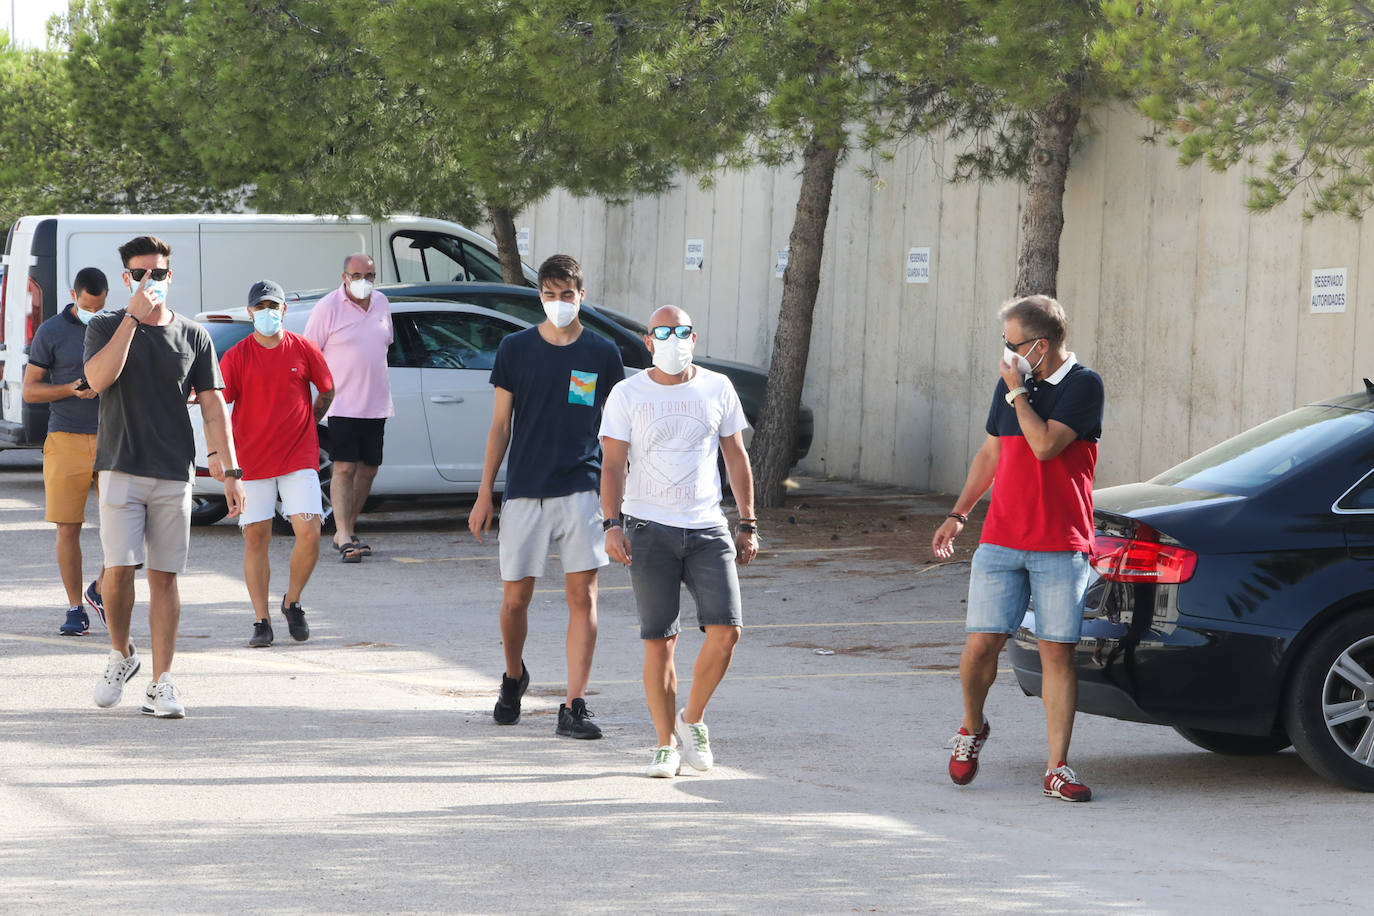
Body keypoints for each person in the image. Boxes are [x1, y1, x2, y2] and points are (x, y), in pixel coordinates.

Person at [932, 294, 1105, 802]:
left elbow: (1046, 445)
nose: (1006, 355)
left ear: (1041, 345)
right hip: (1001, 539)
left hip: (1060, 542)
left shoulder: (1083, 385)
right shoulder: (1011, 387)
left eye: (1012, 345)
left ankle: (1057, 768)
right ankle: (971, 727)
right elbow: (993, 451)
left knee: (1056, 654)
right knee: (979, 647)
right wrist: (958, 514)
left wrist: (1016, 394)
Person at [83, 235, 245, 718]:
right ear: (126, 278)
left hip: (174, 471)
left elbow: (214, 404)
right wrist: (132, 315)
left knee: (165, 577)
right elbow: (96, 381)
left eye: (157, 273)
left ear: (170, 276)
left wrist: (230, 469)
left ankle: (161, 683)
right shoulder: (108, 324)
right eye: (139, 273)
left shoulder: (194, 334)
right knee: (117, 571)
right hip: (119, 464)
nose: (149, 281)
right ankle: (121, 654)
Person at [468, 254, 625, 739]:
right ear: (541, 296)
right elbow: (499, 426)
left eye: (568, 295)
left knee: (584, 596)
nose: (559, 303)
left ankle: (574, 704)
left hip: (582, 490)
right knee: (516, 600)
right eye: (551, 295)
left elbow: (617, 434)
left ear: (582, 295)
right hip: (525, 492)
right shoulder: (515, 349)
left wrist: (618, 505)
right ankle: (513, 677)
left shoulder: (603, 352)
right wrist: (484, 494)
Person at [599, 304, 759, 778]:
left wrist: (747, 521)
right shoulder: (628, 393)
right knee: (660, 642)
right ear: (647, 342)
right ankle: (664, 743)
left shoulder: (717, 387)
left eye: (682, 330)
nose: (674, 338)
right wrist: (612, 523)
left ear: (695, 336)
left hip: (708, 527)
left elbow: (735, 455)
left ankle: (692, 720)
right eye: (663, 331)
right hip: (648, 529)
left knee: (726, 630)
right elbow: (612, 465)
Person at [219, 280, 335, 648]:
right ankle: (260, 619)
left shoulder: (303, 347)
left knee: (310, 533)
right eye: (261, 306)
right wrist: (225, 463)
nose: (268, 312)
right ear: (250, 311)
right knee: (256, 538)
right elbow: (220, 406)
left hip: (298, 456)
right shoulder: (236, 356)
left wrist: (310, 420)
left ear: (284, 309)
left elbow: (327, 389)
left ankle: (292, 601)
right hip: (251, 461)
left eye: (274, 305)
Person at [23, 267, 109, 635]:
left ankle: (101, 589)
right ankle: (76, 608)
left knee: (128, 528)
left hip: (114, 438)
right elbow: (30, 390)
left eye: (102, 305)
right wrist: (69, 388)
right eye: (89, 305)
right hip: (66, 438)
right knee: (67, 529)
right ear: (73, 295)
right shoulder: (51, 331)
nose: (96, 312)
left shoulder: (115, 327)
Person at [302, 253, 392, 564]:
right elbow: (308, 353)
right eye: (357, 275)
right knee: (344, 468)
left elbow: (382, 345)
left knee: (368, 469)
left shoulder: (382, 303)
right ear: (344, 277)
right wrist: (312, 398)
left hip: (376, 403)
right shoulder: (328, 307)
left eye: (369, 275)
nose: (363, 282)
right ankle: (341, 533)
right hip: (341, 403)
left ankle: (348, 531)